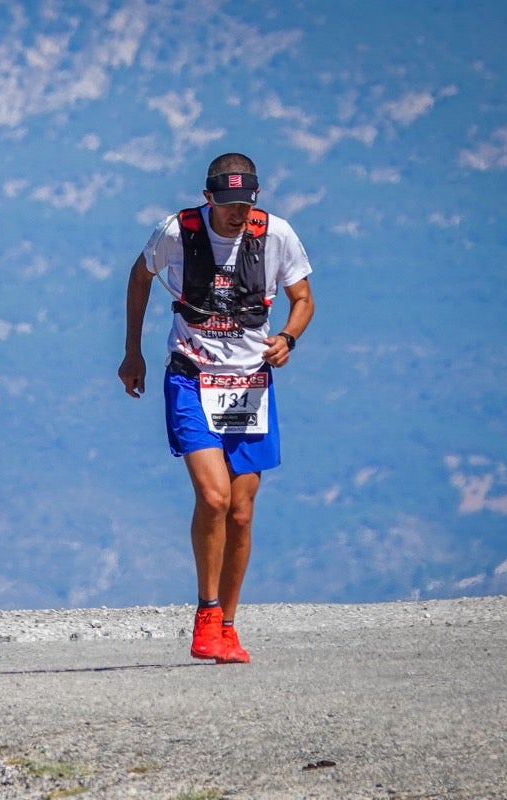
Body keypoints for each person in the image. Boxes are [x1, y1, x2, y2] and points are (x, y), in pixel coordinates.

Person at [118, 153, 315, 664]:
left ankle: (227, 624)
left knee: (242, 512)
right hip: (191, 376)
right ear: (208, 198)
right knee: (213, 497)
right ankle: (206, 613)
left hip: (250, 385)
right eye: (227, 205)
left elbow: (303, 298)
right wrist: (133, 351)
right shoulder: (176, 232)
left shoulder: (277, 235)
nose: (237, 214)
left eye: (245, 204)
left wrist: (288, 337)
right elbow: (139, 277)